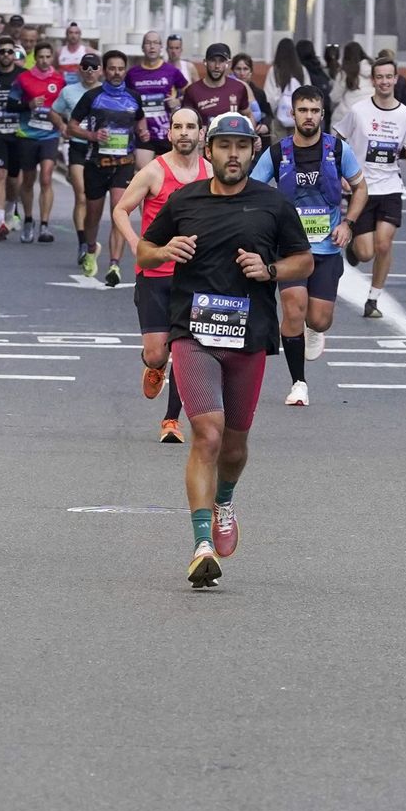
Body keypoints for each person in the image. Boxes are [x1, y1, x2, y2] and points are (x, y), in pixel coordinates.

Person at [136, 113, 313, 588]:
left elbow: (304, 259)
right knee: (207, 435)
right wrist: (166, 249)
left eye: (241, 146)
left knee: (234, 446)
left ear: (252, 152)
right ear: (209, 151)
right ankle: (200, 544)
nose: (233, 155)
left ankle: (225, 500)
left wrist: (270, 270)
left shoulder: (273, 205)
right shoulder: (184, 199)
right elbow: (144, 253)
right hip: (193, 334)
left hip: (249, 337)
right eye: (224, 146)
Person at [251, 86, 367, 406]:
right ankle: (298, 383)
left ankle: (314, 330)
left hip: (327, 248)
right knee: (292, 308)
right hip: (289, 249)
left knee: (318, 319)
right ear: (293, 114)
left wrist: (348, 224)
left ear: (322, 115)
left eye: (314, 111)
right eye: (303, 110)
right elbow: (252, 190)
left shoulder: (338, 150)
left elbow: (360, 188)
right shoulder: (277, 153)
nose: (308, 116)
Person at [111, 107, 207, 441]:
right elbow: (121, 209)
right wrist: (137, 244)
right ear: (169, 134)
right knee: (158, 353)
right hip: (154, 272)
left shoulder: (210, 172)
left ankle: (171, 421)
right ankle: (154, 366)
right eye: (177, 127)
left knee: (184, 346)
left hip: (194, 275)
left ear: (201, 134)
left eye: (190, 127)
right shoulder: (154, 171)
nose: (184, 133)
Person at [336, 55, 406, 319]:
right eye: (380, 77)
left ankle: (373, 299)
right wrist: (340, 171)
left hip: (390, 187)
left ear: (396, 79)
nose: (384, 81)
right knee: (365, 252)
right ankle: (353, 248)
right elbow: (337, 138)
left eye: (389, 76)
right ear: (373, 80)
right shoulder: (359, 111)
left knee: (384, 245)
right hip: (362, 190)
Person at [72, 49, 147, 283]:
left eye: (120, 68)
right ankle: (92, 248)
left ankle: (114, 265)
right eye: (112, 68)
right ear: (105, 70)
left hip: (124, 163)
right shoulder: (92, 96)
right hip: (96, 163)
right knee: (93, 215)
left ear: (125, 71)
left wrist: (142, 131)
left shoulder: (134, 97)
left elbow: (139, 119)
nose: (116, 73)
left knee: (119, 211)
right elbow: (71, 126)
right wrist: (92, 135)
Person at [9, 40, 70, 243]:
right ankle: (28, 220)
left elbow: (67, 105)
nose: (44, 61)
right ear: (35, 58)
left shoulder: (59, 80)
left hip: (50, 136)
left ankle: (44, 224)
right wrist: (29, 104)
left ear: (52, 58)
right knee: (27, 180)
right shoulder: (24, 78)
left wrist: (64, 124)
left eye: (47, 57)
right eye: (41, 57)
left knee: (46, 177)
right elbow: (10, 104)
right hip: (27, 135)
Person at [51, 51, 102, 267]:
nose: (90, 71)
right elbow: (53, 111)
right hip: (78, 148)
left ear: (100, 70)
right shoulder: (69, 91)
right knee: (81, 195)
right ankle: (83, 242)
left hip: (101, 150)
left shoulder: (107, 92)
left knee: (94, 199)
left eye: (94, 67)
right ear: (79, 70)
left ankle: (90, 238)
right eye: (85, 67)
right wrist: (62, 125)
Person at [0, 35, 29, 239]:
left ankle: (11, 210)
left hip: (19, 133)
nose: (7, 55)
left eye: (11, 51)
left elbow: (33, 100)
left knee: (14, 179)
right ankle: (0, 220)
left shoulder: (24, 75)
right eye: (3, 51)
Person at [127, 30, 188, 169]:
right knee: (145, 174)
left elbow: (191, 93)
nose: (152, 46)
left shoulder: (171, 71)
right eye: (148, 43)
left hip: (166, 132)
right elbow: (125, 98)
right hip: (144, 134)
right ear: (143, 48)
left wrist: (178, 101)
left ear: (161, 47)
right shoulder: (132, 73)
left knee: (170, 177)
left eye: (155, 43)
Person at [181, 42, 252, 127]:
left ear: (228, 64)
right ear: (205, 62)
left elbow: (248, 115)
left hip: (231, 139)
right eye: (212, 60)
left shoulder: (238, 88)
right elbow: (184, 122)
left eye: (221, 61)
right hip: (204, 140)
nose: (217, 66)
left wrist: (253, 136)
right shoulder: (192, 91)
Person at [261, 38, 304, 141]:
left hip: (278, 117)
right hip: (298, 117)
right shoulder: (301, 70)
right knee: (297, 146)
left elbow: (268, 96)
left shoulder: (274, 71)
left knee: (279, 148)